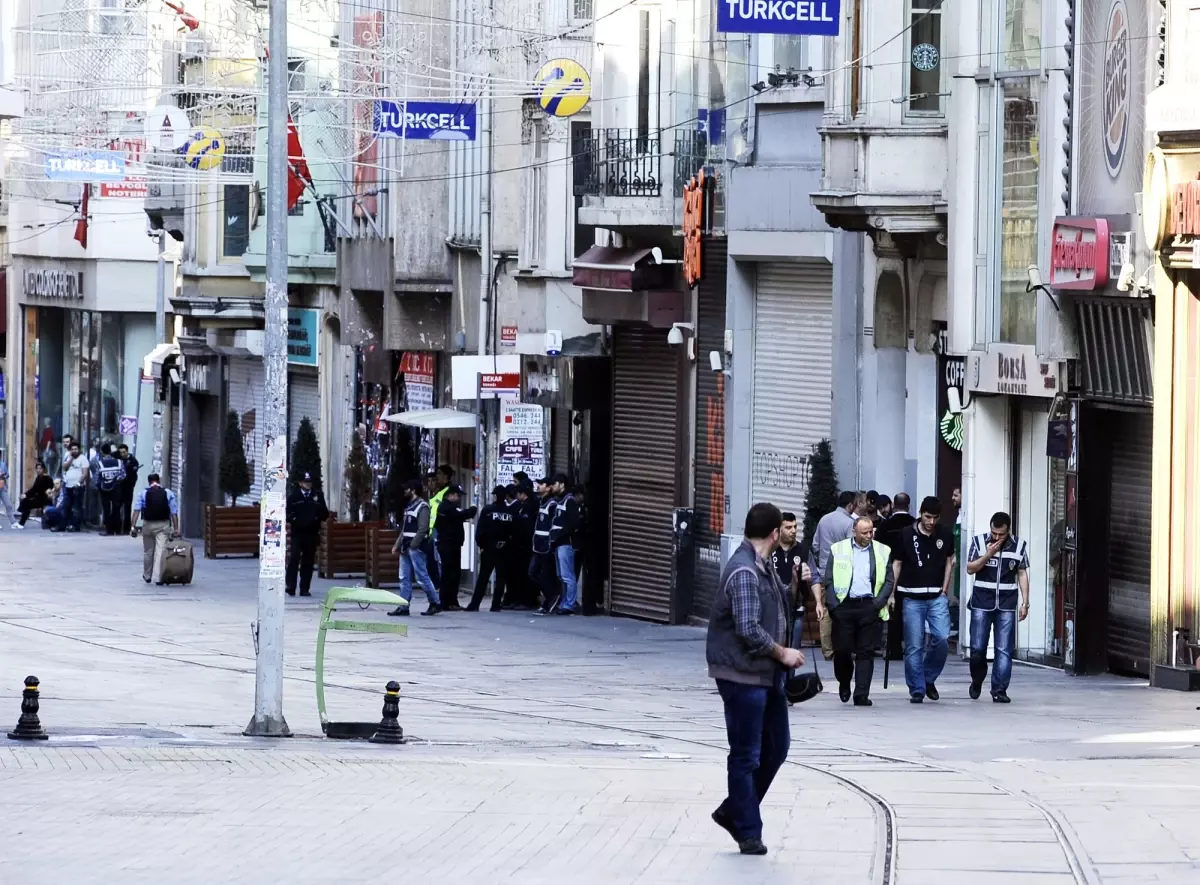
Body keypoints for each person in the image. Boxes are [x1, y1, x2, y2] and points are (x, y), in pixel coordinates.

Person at [706, 503, 802, 857]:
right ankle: (748, 830)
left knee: (777, 746)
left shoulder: (763, 566)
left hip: (764, 675)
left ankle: (735, 810)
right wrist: (783, 653)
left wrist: (795, 584)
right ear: (775, 533)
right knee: (746, 755)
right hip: (742, 674)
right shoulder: (745, 571)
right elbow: (748, 628)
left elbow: (776, 606)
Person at [814, 515, 893, 705]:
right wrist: (833, 605)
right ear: (854, 532)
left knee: (866, 651)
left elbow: (889, 579)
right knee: (842, 650)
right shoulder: (838, 549)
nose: (869, 535)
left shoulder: (882, 550)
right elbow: (829, 579)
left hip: (869, 606)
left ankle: (861, 693)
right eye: (864, 532)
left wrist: (877, 604)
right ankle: (844, 682)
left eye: (871, 531)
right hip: (844, 606)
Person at [890, 496, 957, 703]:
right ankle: (917, 688)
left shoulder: (944, 534)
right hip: (911, 596)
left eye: (935, 518)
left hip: (936, 595)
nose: (931, 522)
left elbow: (950, 560)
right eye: (928, 517)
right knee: (914, 645)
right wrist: (891, 594)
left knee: (942, 638)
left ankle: (928, 677)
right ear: (921, 513)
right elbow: (897, 564)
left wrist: (945, 588)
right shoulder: (906, 534)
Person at [965, 512, 1030, 703]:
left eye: (1001, 534)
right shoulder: (978, 542)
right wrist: (988, 554)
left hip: (1006, 604)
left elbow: (1022, 573)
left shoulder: (1018, 545)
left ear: (1008, 530)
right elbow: (970, 568)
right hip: (981, 603)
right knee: (977, 648)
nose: (996, 537)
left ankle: (999, 689)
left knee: (1004, 649)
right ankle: (977, 680)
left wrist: (1025, 602)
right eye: (994, 532)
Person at [809, 490, 864, 661]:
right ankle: (844, 647)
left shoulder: (824, 519)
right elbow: (852, 548)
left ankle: (827, 650)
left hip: (825, 572)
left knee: (825, 611)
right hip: (843, 574)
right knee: (845, 610)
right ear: (850, 505)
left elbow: (815, 545)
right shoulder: (850, 523)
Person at [389, 480, 442, 616]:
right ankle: (403, 606)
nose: (404, 491)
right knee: (404, 577)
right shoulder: (410, 506)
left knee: (421, 576)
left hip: (415, 547)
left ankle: (435, 602)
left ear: (413, 490)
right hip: (406, 546)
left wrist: (413, 545)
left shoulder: (422, 507)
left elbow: (423, 528)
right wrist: (397, 545)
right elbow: (405, 529)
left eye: (407, 489)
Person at [876, 492, 917, 661]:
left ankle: (894, 648)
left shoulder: (886, 526)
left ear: (893, 504)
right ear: (909, 505)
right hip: (911, 574)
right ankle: (911, 646)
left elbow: (878, 549)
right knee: (912, 612)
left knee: (893, 611)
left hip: (890, 572)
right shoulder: (915, 525)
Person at [467, 485, 515, 612]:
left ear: (494, 496)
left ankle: (474, 604)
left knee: (483, 577)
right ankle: (496, 605)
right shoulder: (511, 512)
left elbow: (480, 531)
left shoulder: (488, 511)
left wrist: (482, 546)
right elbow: (515, 532)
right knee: (501, 578)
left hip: (489, 548)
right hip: (504, 548)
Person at [771, 512, 811, 656]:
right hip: (775, 610)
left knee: (792, 655)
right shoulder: (770, 549)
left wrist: (818, 601)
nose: (793, 531)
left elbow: (815, 578)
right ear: (778, 530)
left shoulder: (803, 550)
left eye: (795, 527)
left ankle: (789, 679)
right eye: (788, 527)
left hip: (796, 611)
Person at [285, 471, 330, 597]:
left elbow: (325, 513)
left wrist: (317, 517)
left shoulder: (317, 496)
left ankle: (304, 588)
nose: (308, 485)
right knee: (294, 558)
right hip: (297, 533)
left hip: (311, 532)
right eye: (305, 482)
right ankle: (291, 586)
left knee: (308, 561)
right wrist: (294, 520)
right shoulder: (294, 497)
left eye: (309, 482)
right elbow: (288, 513)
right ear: (300, 483)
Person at [130, 473, 179, 584]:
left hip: (148, 525)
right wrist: (176, 528)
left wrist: (133, 526)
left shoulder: (143, 493)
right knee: (160, 551)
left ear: (149, 482)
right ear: (159, 480)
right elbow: (174, 512)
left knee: (148, 551)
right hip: (163, 525)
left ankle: (147, 575)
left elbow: (137, 510)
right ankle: (158, 577)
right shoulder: (168, 492)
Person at [434, 484, 477, 610]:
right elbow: (464, 514)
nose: (459, 498)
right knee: (451, 574)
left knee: (450, 574)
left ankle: (449, 602)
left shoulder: (445, 507)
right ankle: (449, 602)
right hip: (449, 545)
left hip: (449, 544)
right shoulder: (448, 508)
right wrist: (474, 507)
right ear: (450, 495)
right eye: (457, 495)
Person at [548, 473, 582, 615]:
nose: (552, 487)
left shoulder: (570, 501)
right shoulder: (559, 501)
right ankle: (565, 602)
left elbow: (573, 523)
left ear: (561, 484)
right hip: (558, 543)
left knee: (568, 575)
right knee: (561, 575)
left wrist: (559, 535)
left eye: (554, 484)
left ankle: (570, 604)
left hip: (566, 543)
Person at [530, 477, 560, 613]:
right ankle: (550, 597)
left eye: (541, 484)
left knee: (544, 574)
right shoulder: (542, 502)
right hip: (538, 546)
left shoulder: (552, 504)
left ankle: (551, 597)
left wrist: (552, 542)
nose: (538, 486)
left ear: (548, 488)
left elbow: (555, 524)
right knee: (533, 572)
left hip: (546, 546)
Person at [508, 482, 538, 610]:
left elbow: (526, 526)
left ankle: (527, 601)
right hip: (519, 546)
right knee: (519, 574)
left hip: (526, 546)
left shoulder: (530, 507)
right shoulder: (521, 506)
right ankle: (519, 599)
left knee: (526, 574)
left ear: (523, 494)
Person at [94, 443, 125, 536]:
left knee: (106, 508)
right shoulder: (119, 462)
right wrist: (115, 480)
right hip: (116, 488)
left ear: (102, 452)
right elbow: (123, 475)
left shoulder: (99, 463)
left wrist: (99, 486)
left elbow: (97, 477)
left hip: (104, 489)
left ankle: (109, 530)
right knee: (116, 508)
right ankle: (118, 530)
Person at [14, 461, 54, 528]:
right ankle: (21, 520)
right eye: (37, 468)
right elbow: (34, 489)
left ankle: (21, 522)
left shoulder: (47, 478)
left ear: (43, 469)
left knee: (27, 503)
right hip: (39, 497)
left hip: (45, 499)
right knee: (26, 502)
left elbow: (36, 489)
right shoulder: (38, 477)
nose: (38, 470)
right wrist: (26, 495)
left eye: (40, 468)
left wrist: (26, 495)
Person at [61, 442, 89, 532]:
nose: (74, 451)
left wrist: (78, 483)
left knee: (77, 506)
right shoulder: (69, 458)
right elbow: (64, 468)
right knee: (67, 505)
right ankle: (67, 524)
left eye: (76, 449)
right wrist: (71, 459)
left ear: (79, 449)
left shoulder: (83, 459)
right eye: (72, 449)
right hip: (68, 485)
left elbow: (85, 474)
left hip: (78, 486)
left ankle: (76, 525)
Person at [117, 444, 140, 535]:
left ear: (127, 451)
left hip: (128, 487)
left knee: (127, 507)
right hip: (119, 486)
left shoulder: (133, 460)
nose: (122, 454)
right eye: (121, 452)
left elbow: (134, 472)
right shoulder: (118, 459)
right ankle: (117, 528)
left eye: (124, 452)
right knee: (117, 506)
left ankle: (127, 528)